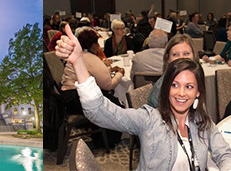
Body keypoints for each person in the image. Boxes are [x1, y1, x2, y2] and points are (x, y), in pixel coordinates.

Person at [55, 27, 231, 170]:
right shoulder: (149, 119)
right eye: (175, 85)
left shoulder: (203, 122)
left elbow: (224, 154)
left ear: (198, 92)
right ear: (165, 87)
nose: (181, 93)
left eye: (189, 86)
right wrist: (78, 60)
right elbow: (99, 111)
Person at [60, 26, 124, 147]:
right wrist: (120, 74)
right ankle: (107, 140)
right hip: (76, 98)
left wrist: (109, 69)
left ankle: (103, 136)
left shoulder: (80, 55)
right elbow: (108, 85)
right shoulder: (90, 58)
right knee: (113, 104)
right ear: (94, 45)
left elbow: (92, 71)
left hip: (66, 96)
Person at [147, 34, 200, 108]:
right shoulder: (162, 87)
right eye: (175, 55)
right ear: (168, 59)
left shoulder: (195, 78)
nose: (181, 58)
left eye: (186, 53)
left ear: (194, 55)